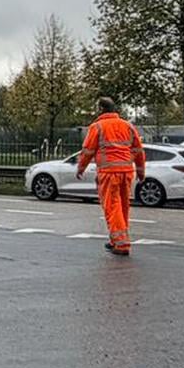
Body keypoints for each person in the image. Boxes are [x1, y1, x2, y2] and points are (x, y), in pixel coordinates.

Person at [75, 97, 146, 256]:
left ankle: (121, 244)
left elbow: (87, 151)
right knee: (122, 207)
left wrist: (80, 168)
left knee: (112, 207)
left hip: (109, 173)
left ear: (101, 109)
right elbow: (138, 151)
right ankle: (117, 239)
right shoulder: (127, 126)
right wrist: (141, 172)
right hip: (127, 172)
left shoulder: (97, 127)